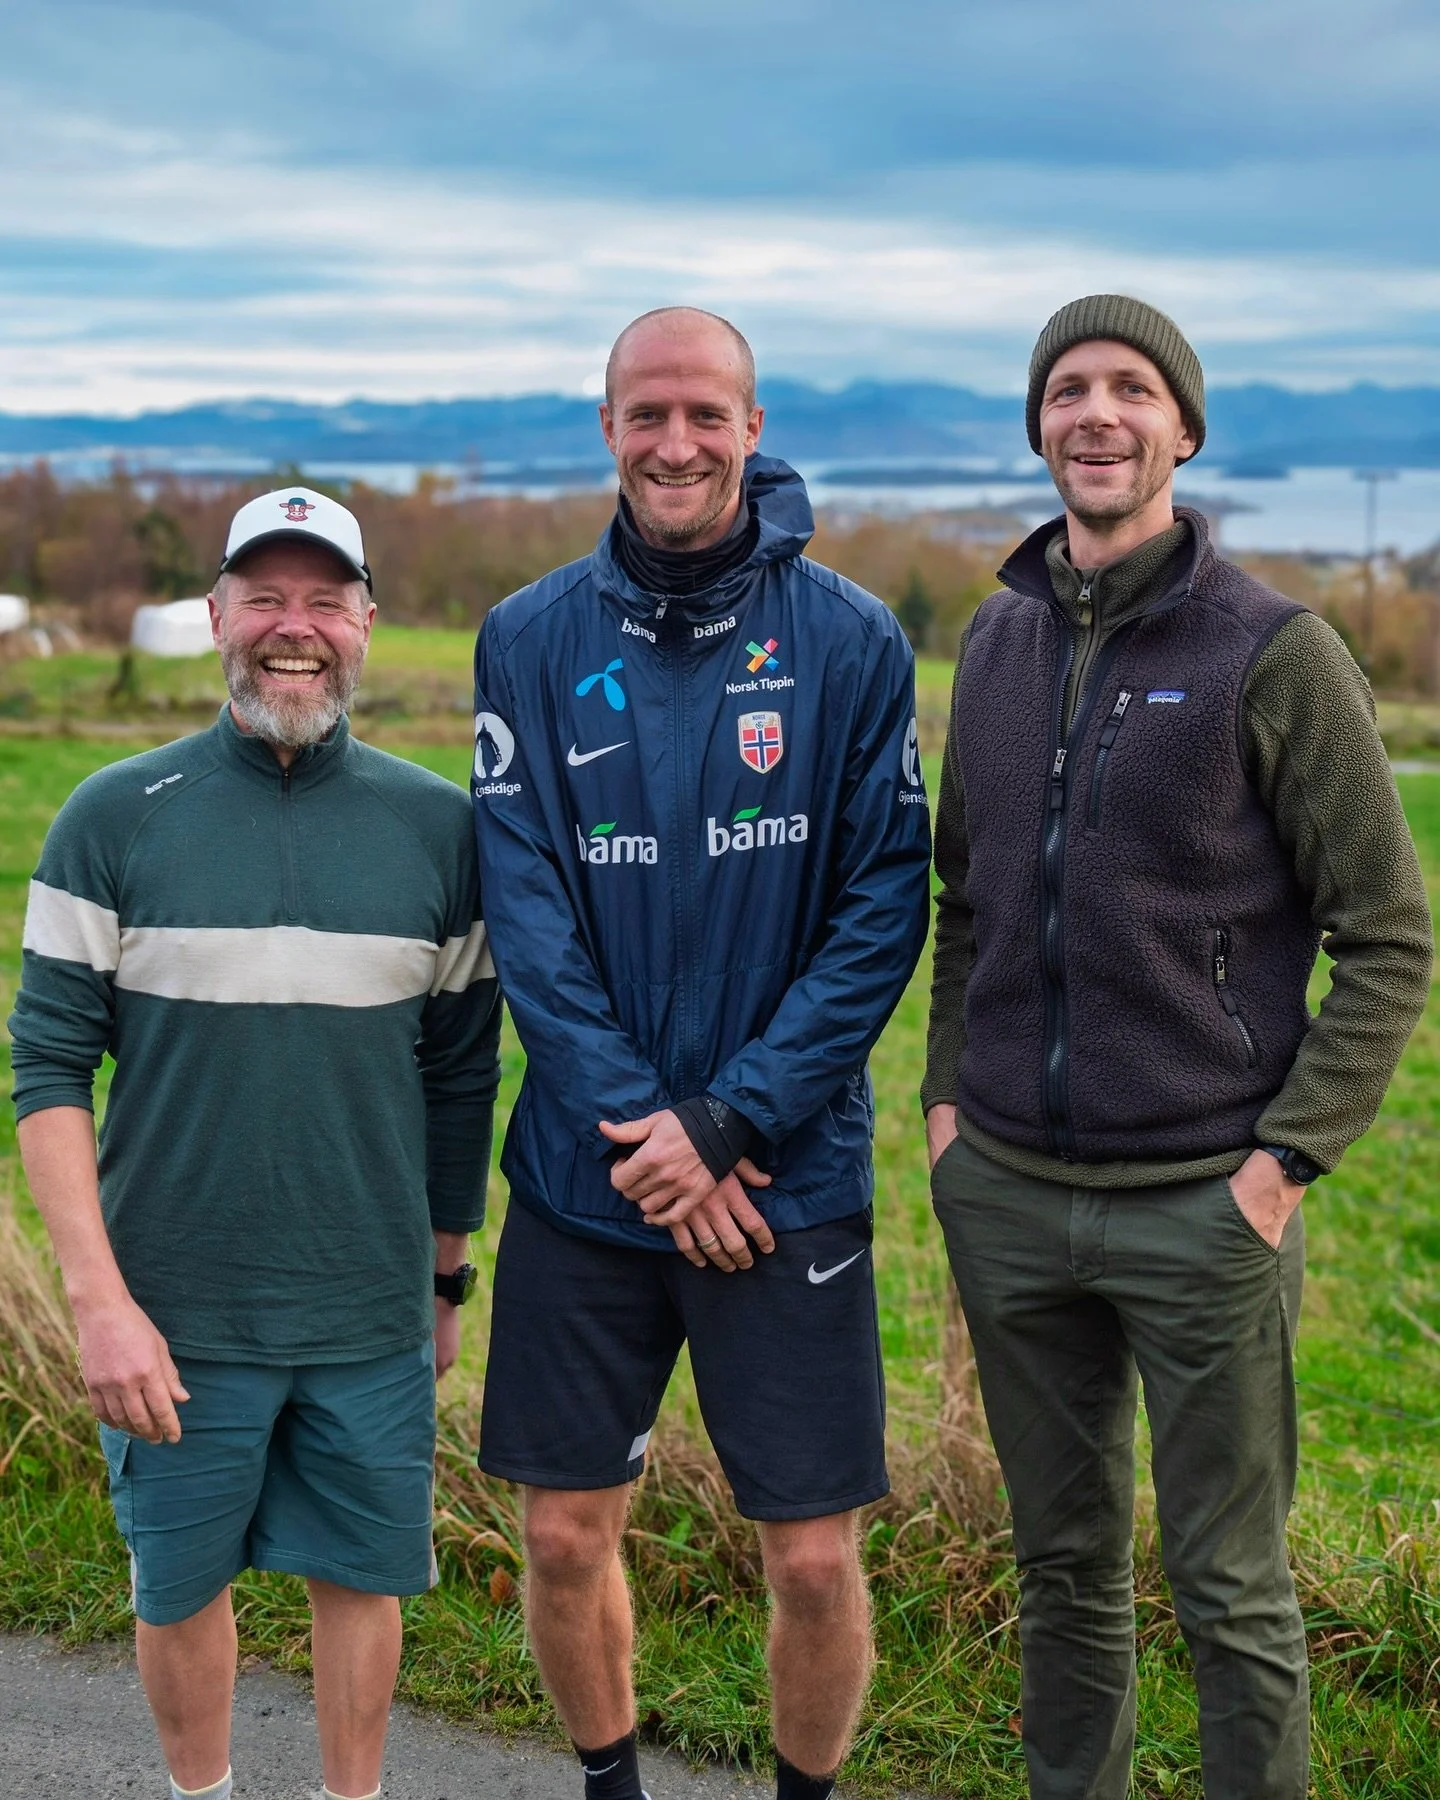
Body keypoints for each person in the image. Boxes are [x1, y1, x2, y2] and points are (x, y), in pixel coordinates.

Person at [923, 295, 1433, 1800]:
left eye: (1131, 388)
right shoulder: (998, 641)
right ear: (1037, 426)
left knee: (1233, 1594)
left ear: (1184, 430)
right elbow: (968, 903)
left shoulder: (1276, 653)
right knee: (1063, 1573)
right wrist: (951, 1111)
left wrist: (1286, 1165)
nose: (1096, 412)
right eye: (1067, 388)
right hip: (1008, 1194)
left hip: (1205, 1207)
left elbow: (1390, 935)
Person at [471, 307, 931, 1800]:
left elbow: (882, 906)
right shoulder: (526, 637)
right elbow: (526, 912)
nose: (677, 443)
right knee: (559, 1532)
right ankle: (611, 1788)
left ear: (752, 423)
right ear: (606, 429)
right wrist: (654, 1144)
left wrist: (728, 1124)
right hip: (586, 1177)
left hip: (783, 1174)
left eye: (706, 415)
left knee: (807, 1557)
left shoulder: (851, 639)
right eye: (647, 414)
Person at [11, 487, 502, 1800]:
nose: (296, 629)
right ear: (219, 616)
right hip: (172, 1309)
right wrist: (97, 1301)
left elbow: (462, 1080)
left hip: (366, 1300)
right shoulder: (112, 818)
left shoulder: (441, 831)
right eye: (266, 598)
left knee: (363, 1575)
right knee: (178, 1584)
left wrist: (444, 1278)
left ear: (368, 625)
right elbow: (46, 1072)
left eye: (324, 600)